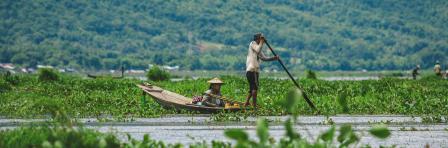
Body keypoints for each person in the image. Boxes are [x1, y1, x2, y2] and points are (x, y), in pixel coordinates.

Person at [244, 33, 279, 108]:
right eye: (260, 39)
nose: (261, 41)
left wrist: (273, 58)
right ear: (258, 39)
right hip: (252, 70)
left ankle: (246, 102)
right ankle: (254, 106)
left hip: (255, 71)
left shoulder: (258, 48)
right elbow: (257, 49)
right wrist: (262, 42)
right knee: (254, 88)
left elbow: (263, 58)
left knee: (252, 88)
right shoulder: (252, 44)